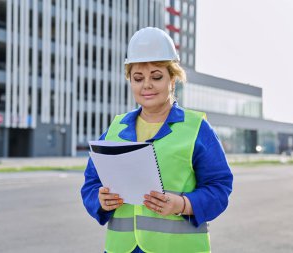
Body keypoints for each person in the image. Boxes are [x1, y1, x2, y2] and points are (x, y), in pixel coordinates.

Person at [81, 27, 233, 253]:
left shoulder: (196, 129)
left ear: (173, 79)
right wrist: (100, 200)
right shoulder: (115, 129)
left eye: (157, 76)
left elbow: (220, 188)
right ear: (130, 81)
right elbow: (91, 183)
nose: (147, 85)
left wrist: (182, 205)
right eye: (138, 78)